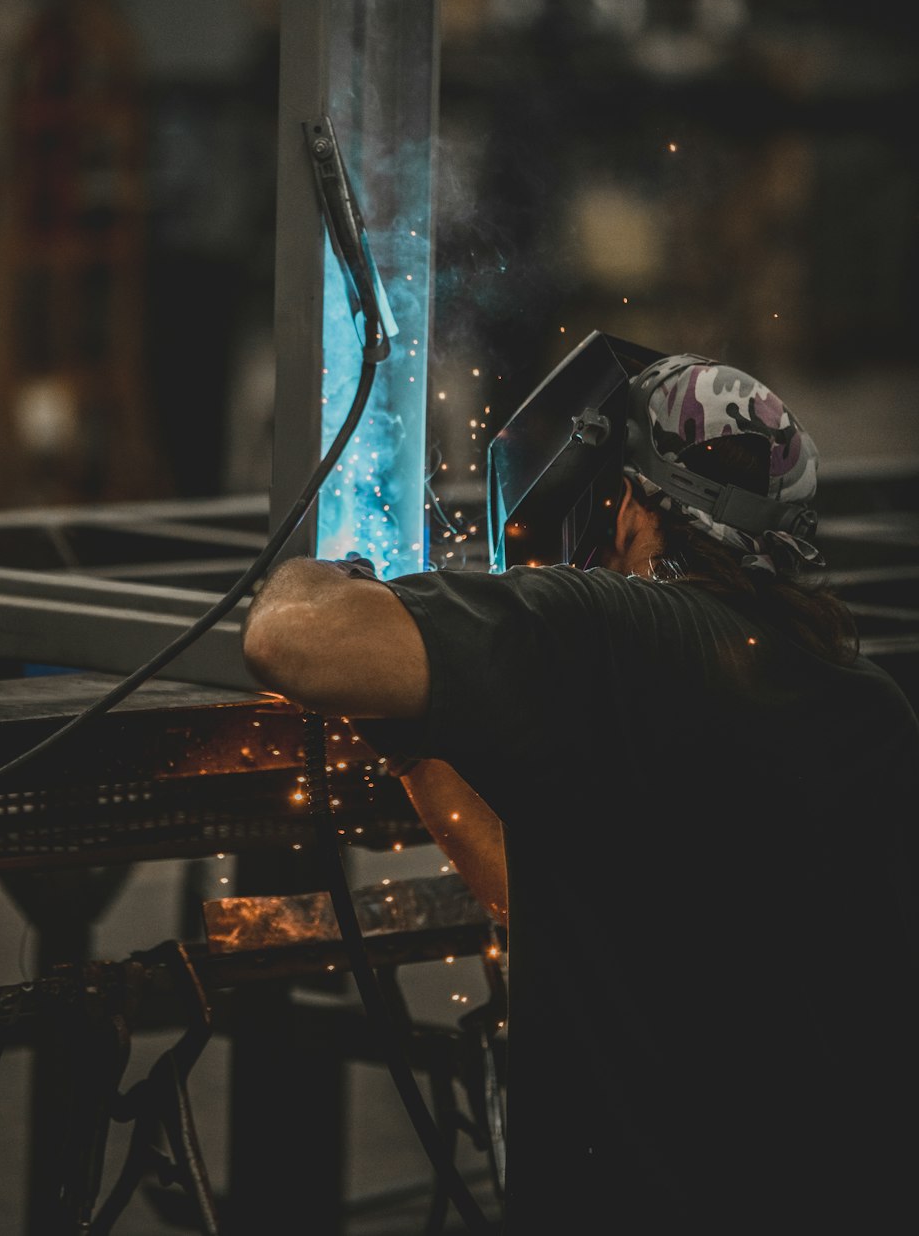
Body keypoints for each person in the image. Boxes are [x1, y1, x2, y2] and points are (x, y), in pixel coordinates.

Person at [242, 352, 919, 1234]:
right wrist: (418, 755)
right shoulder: (864, 704)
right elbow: (560, 898)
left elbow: (294, 644)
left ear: (631, 501)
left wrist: (326, 578)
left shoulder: (605, 626)